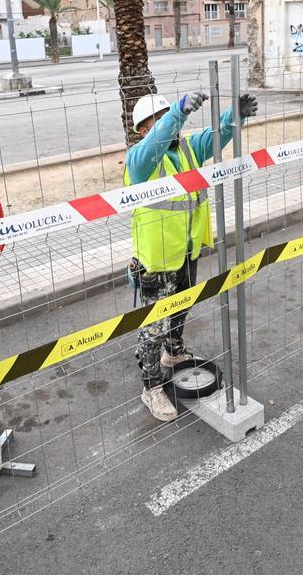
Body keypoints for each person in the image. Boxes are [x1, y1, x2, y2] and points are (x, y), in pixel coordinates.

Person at [125, 89, 258, 422]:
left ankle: (174, 352)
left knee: (182, 306)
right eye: (161, 119)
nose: (171, 126)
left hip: (185, 251)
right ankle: (151, 387)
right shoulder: (140, 161)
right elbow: (153, 146)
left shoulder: (185, 149)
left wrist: (234, 117)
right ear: (144, 130)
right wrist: (178, 114)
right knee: (152, 327)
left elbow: (216, 138)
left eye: (169, 117)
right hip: (156, 261)